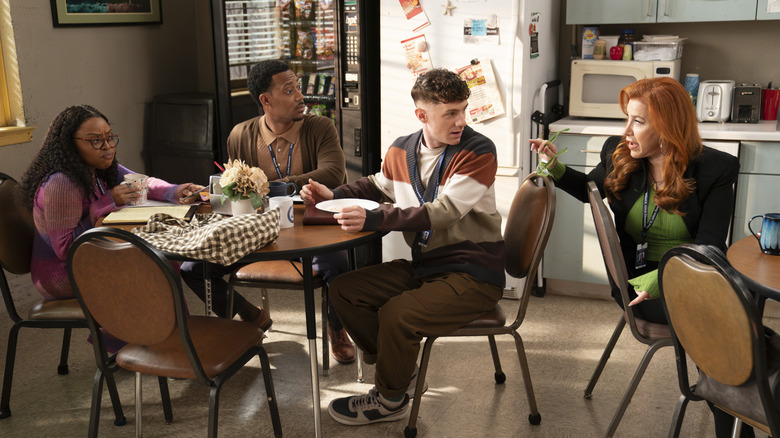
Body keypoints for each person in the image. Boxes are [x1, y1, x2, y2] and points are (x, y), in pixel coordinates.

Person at [529, 77, 744, 438]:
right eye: (627, 119)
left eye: (638, 122)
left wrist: (663, 280)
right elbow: (591, 191)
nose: (626, 131)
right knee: (728, 330)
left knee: (742, 315)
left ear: (669, 128)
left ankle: (742, 397)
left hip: (690, 276)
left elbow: (710, 247)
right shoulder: (621, 151)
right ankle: (738, 415)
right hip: (636, 287)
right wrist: (555, 166)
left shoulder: (715, 170)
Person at [301, 68, 505, 425]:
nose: (461, 121)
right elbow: (377, 185)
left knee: (399, 313)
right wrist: (334, 195)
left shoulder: (477, 150)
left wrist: (377, 218)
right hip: (427, 267)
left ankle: (391, 399)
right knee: (345, 290)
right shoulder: (402, 148)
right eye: (450, 113)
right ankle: (400, 369)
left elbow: (443, 212)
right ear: (422, 115)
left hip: (473, 274)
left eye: (463, 110)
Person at [180, 60, 357, 364]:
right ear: (265, 100)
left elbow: (333, 172)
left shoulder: (319, 127)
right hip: (258, 232)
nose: (300, 96)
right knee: (192, 269)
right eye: (289, 90)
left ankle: (337, 328)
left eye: (299, 87)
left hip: (308, 228)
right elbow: (237, 187)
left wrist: (273, 185)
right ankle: (250, 314)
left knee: (339, 263)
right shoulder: (240, 134)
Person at [20, 104, 202, 337]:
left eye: (109, 138)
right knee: (157, 265)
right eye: (95, 140)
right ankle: (156, 341)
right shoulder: (62, 183)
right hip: (62, 274)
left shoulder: (97, 168)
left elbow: (141, 182)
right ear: (70, 144)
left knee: (163, 262)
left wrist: (175, 191)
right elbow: (67, 249)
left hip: (91, 256)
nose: (106, 146)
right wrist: (107, 201)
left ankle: (168, 339)